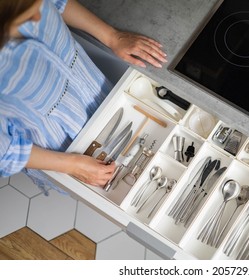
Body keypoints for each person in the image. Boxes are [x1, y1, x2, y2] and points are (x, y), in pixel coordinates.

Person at [0, 0, 167, 193]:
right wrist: (73, 165)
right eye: (27, 17)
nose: (39, 17)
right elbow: (5, 153)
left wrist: (113, 37)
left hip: (102, 96)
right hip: (65, 151)